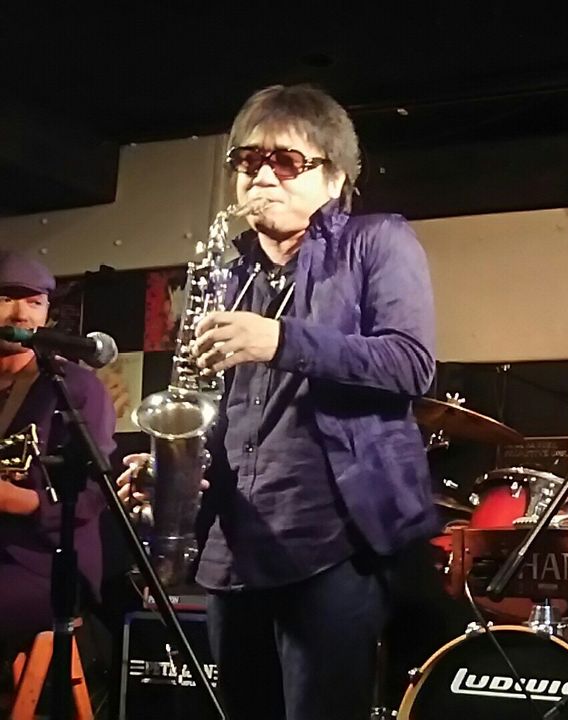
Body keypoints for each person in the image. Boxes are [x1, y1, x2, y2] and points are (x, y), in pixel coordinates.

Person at [116, 84, 438, 720]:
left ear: (335, 177)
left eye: (287, 161)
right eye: (247, 160)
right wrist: (174, 468)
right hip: (234, 546)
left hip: (335, 543)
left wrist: (281, 340)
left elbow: (411, 362)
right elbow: (211, 403)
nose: (262, 175)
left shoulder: (378, 241)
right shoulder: (225, 274)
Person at [0, 251, 116, 664]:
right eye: (5, 299)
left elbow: (94, 494)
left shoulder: (75, 387)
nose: (20, 314)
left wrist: (19, 501)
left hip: (44, 563)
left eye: (34, 302)